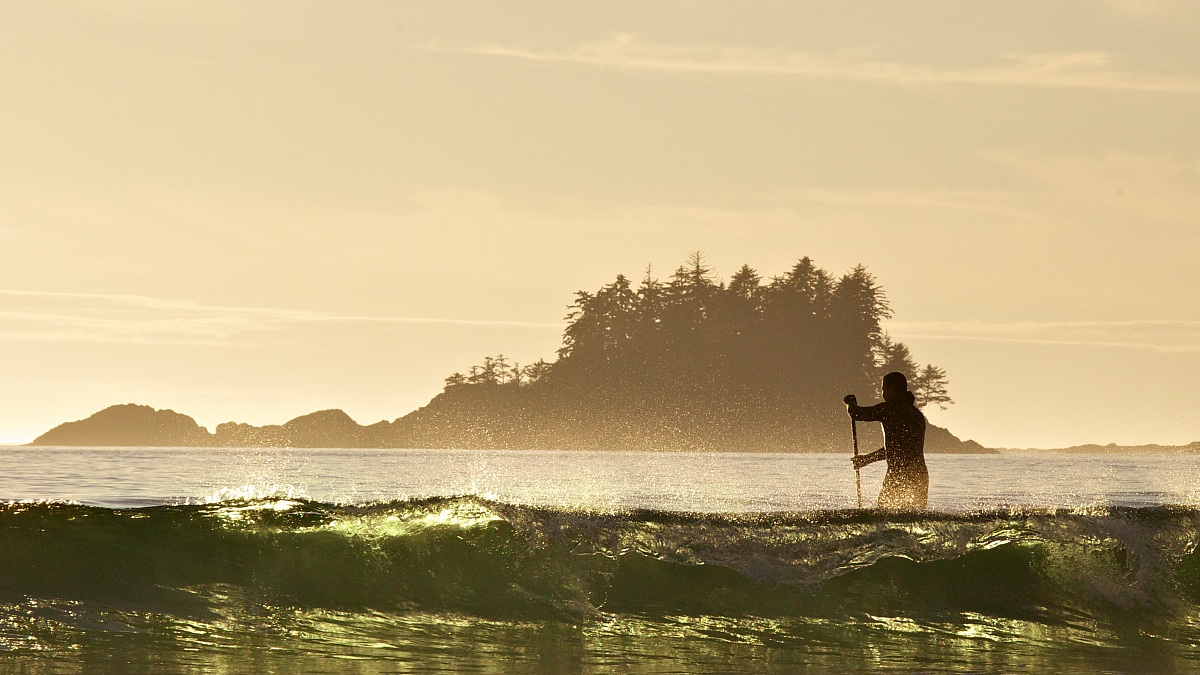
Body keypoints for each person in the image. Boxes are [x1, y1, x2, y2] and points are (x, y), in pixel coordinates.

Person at [843, 372, 928, 509]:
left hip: (898, 473)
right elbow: (898, 449)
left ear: (893, 389)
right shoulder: (917, 415)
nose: (883, 393)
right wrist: (867, 459)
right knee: (915, 517)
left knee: (883, 512)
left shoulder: (889, 409)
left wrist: (849, 402)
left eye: (884, 389)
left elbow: (856, 414)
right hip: (920, 474)